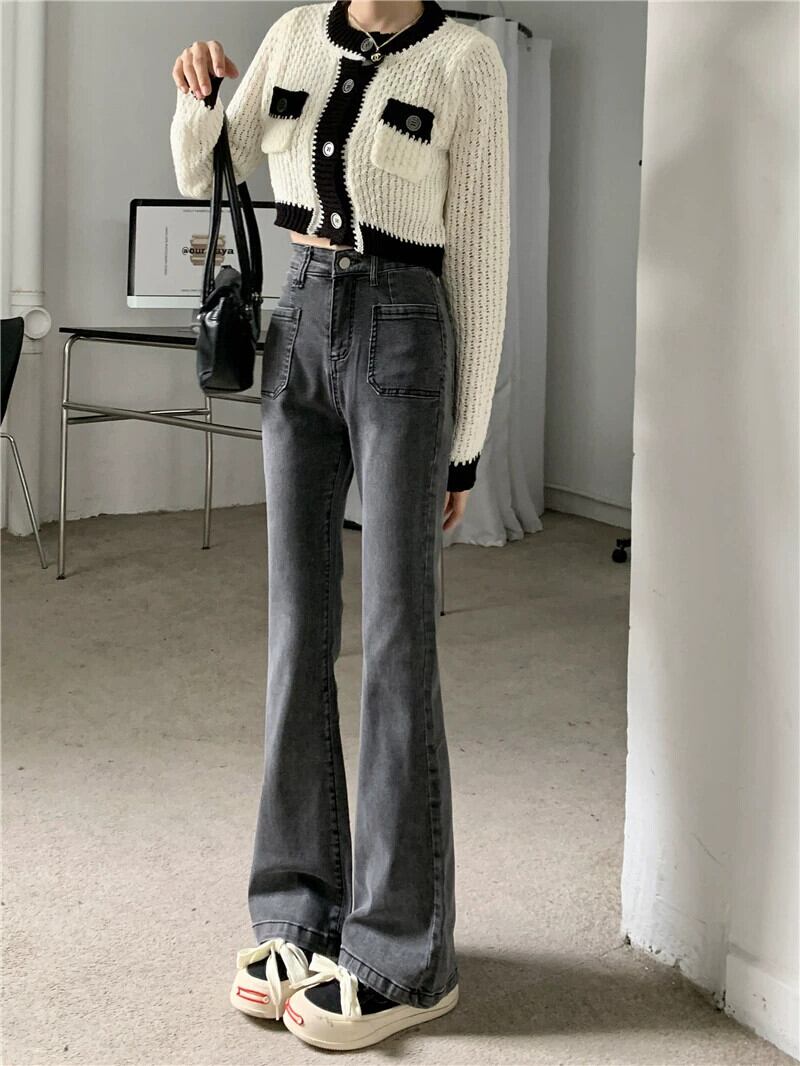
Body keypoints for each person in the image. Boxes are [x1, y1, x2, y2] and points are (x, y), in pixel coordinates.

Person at [170, 0, 509, 1050]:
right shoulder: (293, 36)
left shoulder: (465, 63)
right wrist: (196, 97)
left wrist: (465, 445)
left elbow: (481, 259)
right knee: (295, 628)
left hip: (405, 327)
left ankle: (406, 955)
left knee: (398, 642)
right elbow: (206, 167)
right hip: (296, 322)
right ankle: (296, 911)